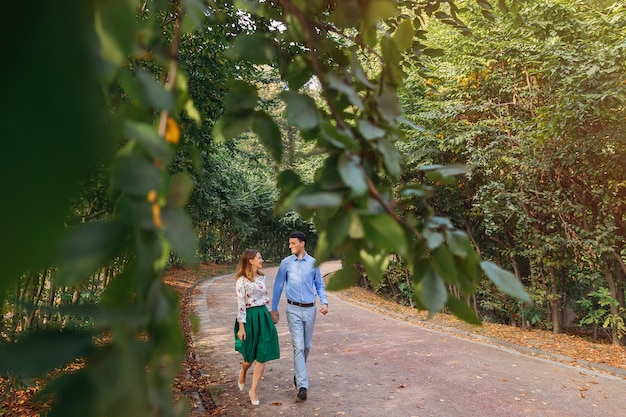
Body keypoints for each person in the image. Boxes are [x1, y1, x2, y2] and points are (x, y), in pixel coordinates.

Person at [271, 231, 328, 401]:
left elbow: (320, 285)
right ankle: (303, 385)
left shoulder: (313, 263)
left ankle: (298, 371)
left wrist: (324, 302)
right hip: (293, 309)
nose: (290, 246)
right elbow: (278, 286)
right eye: (289, 243)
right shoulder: (286, 264)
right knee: (298, 346)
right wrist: (273, 308)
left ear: (302, 243)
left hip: (310, 309)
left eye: (293, 243)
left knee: (307, 346)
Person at [234, 249, 280, 406]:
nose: (262, 260)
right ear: (251, 260)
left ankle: (253, 390)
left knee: (263, 354)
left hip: (263, 316)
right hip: (250, 318)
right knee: (249, 357)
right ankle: (244, 370)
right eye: (259, 258)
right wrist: (241, 327)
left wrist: (270, 314)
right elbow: (241, 304)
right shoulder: (241, 281)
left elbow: (265, 298)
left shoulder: (262, 278)